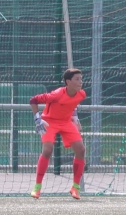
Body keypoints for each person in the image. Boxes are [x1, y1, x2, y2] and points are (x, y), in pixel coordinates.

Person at [29, 68, 86, 200]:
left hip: (66, 122)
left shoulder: (81, 94)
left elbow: (73, 104)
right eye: (77, 79)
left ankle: (75, 187)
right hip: (49, 122)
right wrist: (37, 119)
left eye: (81, 79)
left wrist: (75, 118)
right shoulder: (56, 94)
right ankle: (37, 187)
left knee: (81, 150)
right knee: (47, 150)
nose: (80, 82)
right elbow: (33, 100)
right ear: (68, 82)